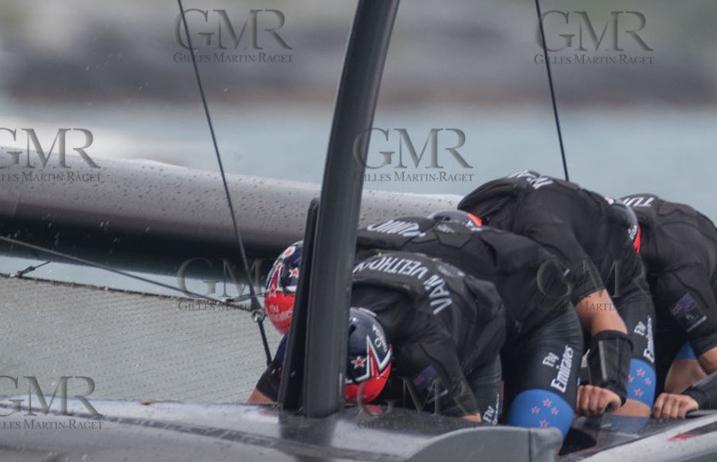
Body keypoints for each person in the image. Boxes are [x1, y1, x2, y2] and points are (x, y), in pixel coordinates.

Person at [353, 212, 578, 432]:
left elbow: (470, 435)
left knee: (531, 432)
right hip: (450, 314)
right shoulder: (348, 275)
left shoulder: (426, 350)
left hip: (529, 322)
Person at [459, 171, 656, 418]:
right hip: (530, 224)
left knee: (628, 408)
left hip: (617, 278)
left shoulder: (550, 239)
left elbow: (605, 319)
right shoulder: (462, 242)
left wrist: (609, 388)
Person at [249, 249, 505, 424]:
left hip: (472, 338)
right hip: (387, 294)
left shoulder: (426, 355)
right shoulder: (306, 336)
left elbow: (472, 439)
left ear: (389, 358)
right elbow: (254, 411)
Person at [618, 193, 717, 419]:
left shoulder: (677, 277)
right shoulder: (577, 255)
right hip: (660, 303)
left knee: (681, 384)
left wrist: (696, 397)